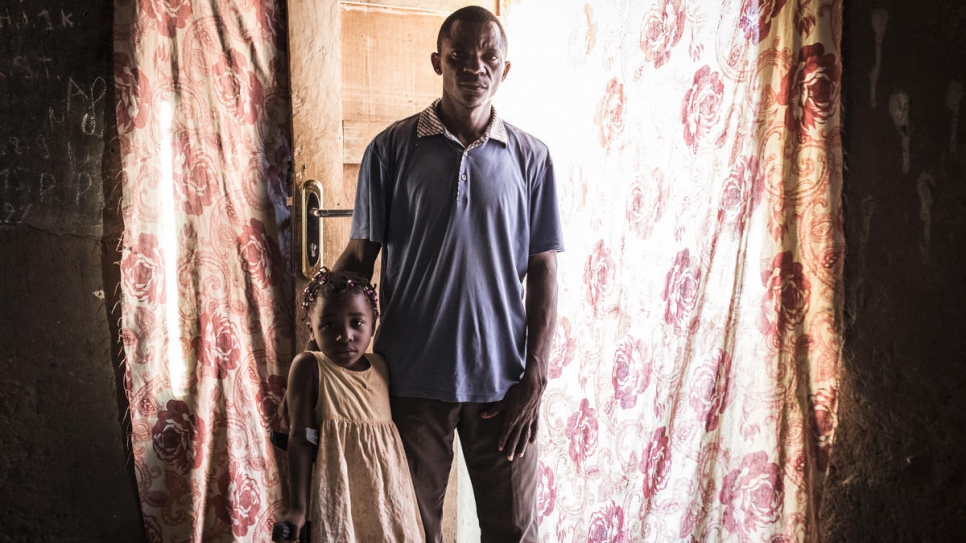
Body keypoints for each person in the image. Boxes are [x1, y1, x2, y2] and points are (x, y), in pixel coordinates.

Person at [333, 6, 563, 542]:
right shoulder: (391, 150)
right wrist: (316, 353)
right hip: (411, 381)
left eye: (488, 57)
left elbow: (544, 271)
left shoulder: (531, 159)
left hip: (504, 385)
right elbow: (359, 261)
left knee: (514, 531)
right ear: (437, 61)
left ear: (506, 69)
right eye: (458, 55)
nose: (473, 67)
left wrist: (535, 373)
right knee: (411, 531)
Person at [276, 268, 424, 542]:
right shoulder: (309, 366)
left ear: (374, 324)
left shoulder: (382, 366)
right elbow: (300, 440)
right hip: (338, 496)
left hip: (387, 497)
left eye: (357, 323)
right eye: (329, 325)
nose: (345, 335)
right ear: (311, 329)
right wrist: (298, 509)